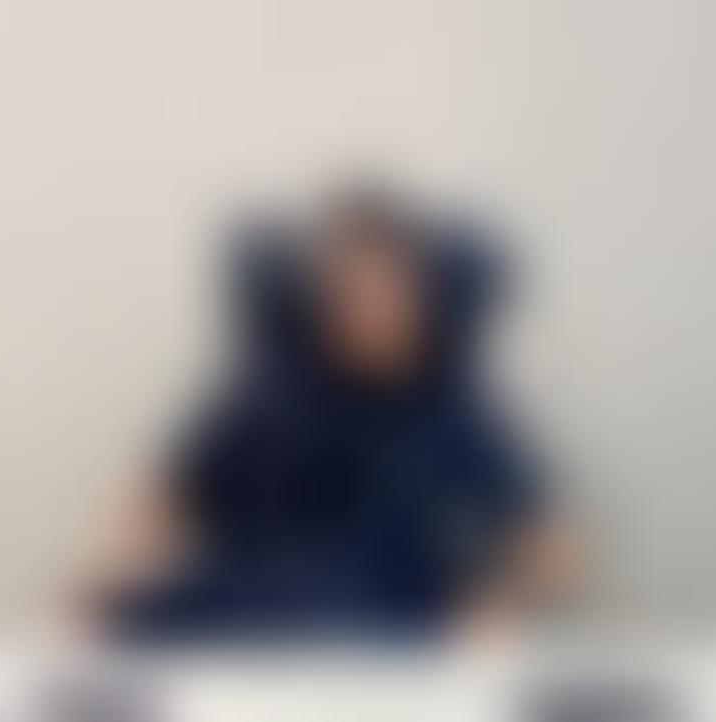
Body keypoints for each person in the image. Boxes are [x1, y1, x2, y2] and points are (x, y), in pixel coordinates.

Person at [79, 187, 572, 645]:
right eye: (349, 291)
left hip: (392, 624)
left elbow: (553, 550)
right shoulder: (261, 397)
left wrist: (500, 601)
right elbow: (163, 504)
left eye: (387, 290)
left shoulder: (451, 409)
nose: (369, 309)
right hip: (251, 613)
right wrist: (121, 573)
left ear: (422, 297)